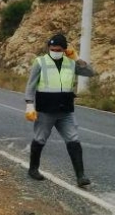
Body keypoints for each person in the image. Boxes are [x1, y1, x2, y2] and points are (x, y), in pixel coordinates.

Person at [24, 33, 95, 187]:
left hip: (65, 111)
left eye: (58, 49)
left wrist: (77, 58)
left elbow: (90, 72)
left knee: (73, 139)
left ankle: (81, 176)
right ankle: (33, 169)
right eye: (52, 49)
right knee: (40, 139)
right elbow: (31, 85)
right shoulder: (40, 62)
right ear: (48, 48)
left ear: (65, 49)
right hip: (45, 110)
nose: (54, 51)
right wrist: (29, 103)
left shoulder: (71, 63)